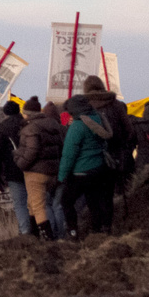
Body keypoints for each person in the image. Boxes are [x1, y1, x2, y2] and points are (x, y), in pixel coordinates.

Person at [83, 74, 134, 233]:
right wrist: (122, 148)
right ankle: (107, 227)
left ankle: (95, 227)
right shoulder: (116, 104)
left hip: (89, 157)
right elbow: (129, 131)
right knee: (107, 194)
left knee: (92, 194)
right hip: (113, 156)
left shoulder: (83, 106)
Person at [58, 94, 112, 241]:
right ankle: (98, 231)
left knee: (66, 201)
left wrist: (62, 176)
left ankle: (73, 233)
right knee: (93, 200)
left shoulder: (77, 126)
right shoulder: (97, 119)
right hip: (99, 167)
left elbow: (69, 154)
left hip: (80, 172)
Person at [14, 96, 63, 240]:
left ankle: (47, 239)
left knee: (38, 206)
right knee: (34, 203)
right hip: (54, 171)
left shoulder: (30, 128)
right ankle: (34, 236)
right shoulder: (53, 124)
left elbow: (32, 150)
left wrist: (20, 162)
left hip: (36, 173)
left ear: (27, 113)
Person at [0, 100, 31, 235]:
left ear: (6, 113)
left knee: (19, 203)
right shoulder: (28, 124)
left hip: (13, 170)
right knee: (34, 202)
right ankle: (39, 231)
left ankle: (25, 232)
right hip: (32, 168)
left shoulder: (2, 129)